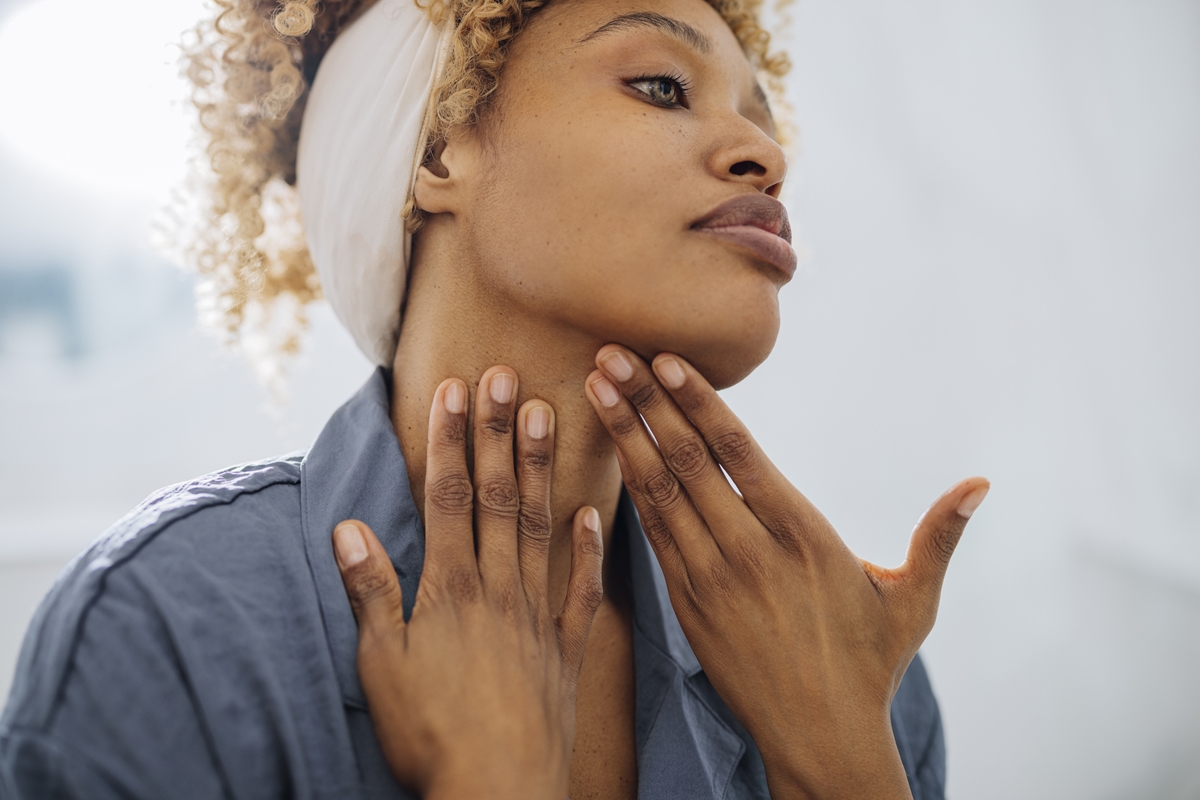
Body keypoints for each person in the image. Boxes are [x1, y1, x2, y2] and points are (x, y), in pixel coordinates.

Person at [0, 0, 988, 796]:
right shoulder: (168, 624)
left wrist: (848, 767)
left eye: (763, 123)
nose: (764, 158)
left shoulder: (856, 672)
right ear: (438, 153)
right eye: (662, 86)